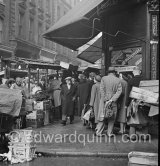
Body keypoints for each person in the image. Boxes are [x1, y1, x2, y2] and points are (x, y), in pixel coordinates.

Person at [96, 67, 122, 137]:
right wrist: (112, 100)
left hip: (104, 100)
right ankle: (109, 133)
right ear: (114, 72)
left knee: (102, 115)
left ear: (108, 72)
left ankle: (98, 132)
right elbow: (119, 91)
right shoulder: (118, 80)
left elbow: (101, 89)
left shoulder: (103, 78)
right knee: (112, 116)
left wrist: (105, 99)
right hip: (113, 100)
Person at [125, 67, 148, 140]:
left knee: (133, 118)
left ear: (133, 72)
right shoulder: (146, 80)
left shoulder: (131, 81)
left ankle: (132, 136)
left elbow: (128, 94)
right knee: (144, 118)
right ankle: (145, 136)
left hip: (134, 102)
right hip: (145, 102)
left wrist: (126, 104)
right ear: (140, 72)